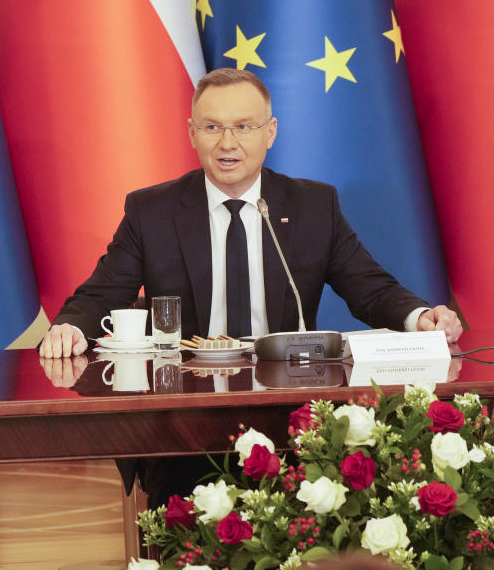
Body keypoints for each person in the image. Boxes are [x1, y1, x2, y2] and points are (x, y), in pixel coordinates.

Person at [37, 68, 461, 505]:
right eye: (212, 127)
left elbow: (369, 288)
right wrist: (70, 326)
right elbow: (102, 293)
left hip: (291, 412)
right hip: (187, 421)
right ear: (192, 133)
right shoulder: (152, 211)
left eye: (244, 127)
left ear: (270, 132)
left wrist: (419, 316)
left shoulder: (313, 205)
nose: (227, 143)